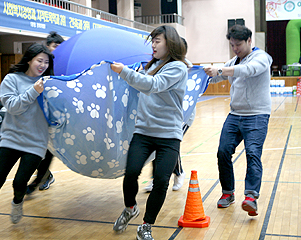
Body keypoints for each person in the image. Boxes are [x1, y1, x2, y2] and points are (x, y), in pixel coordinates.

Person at [0, 43, 54, 240]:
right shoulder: (12, 79)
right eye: (39, 60)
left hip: (37, 141)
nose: (43, 65)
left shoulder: (50, 82)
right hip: (12, 138)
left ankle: (18, 199)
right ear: (29, 59)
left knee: (20, 182)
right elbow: (12, 106)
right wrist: (34, 90)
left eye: (46, 62)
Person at [110, 25, 188, 240]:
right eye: (152, 41)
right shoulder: (150, 66)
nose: (153, 45)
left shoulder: (177, 68)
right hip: (143, 132)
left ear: (169, 43)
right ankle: (130, 209)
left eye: (157, 41)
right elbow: (142, 84)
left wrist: (124, 71)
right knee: (131, 172)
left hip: (169, 135)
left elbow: (153, 85)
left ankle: (146, 225)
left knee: (161, 181)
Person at [204, 25, 272, 217]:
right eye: (232, 45)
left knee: (252, 153)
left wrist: (220, 70)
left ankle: (251, 197)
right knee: (223, 152)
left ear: (249, 40)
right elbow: (218, 78)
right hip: (235, 115)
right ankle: (228, 192)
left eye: (238, 44)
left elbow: (246, 70)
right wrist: (203, 72)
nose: (235, 48)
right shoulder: (233, 60)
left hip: (257, 115)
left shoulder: (262, 58)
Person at [144, 37, 194, 192]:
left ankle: (178, 172)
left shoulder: (183, 66)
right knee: (156, 144)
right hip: (161, 115)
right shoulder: (159, 64)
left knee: (168, 145)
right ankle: (156, 178)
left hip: (183, 116)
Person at [26, 31, 65, 194]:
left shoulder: (61, 65)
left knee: (47, 149)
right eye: (55, 46)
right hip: (35, 114)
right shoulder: (40, 65)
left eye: (60, 47)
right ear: (47, 47)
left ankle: (41, 178)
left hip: (51, 115)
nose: (58, 50)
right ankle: (44, 175)